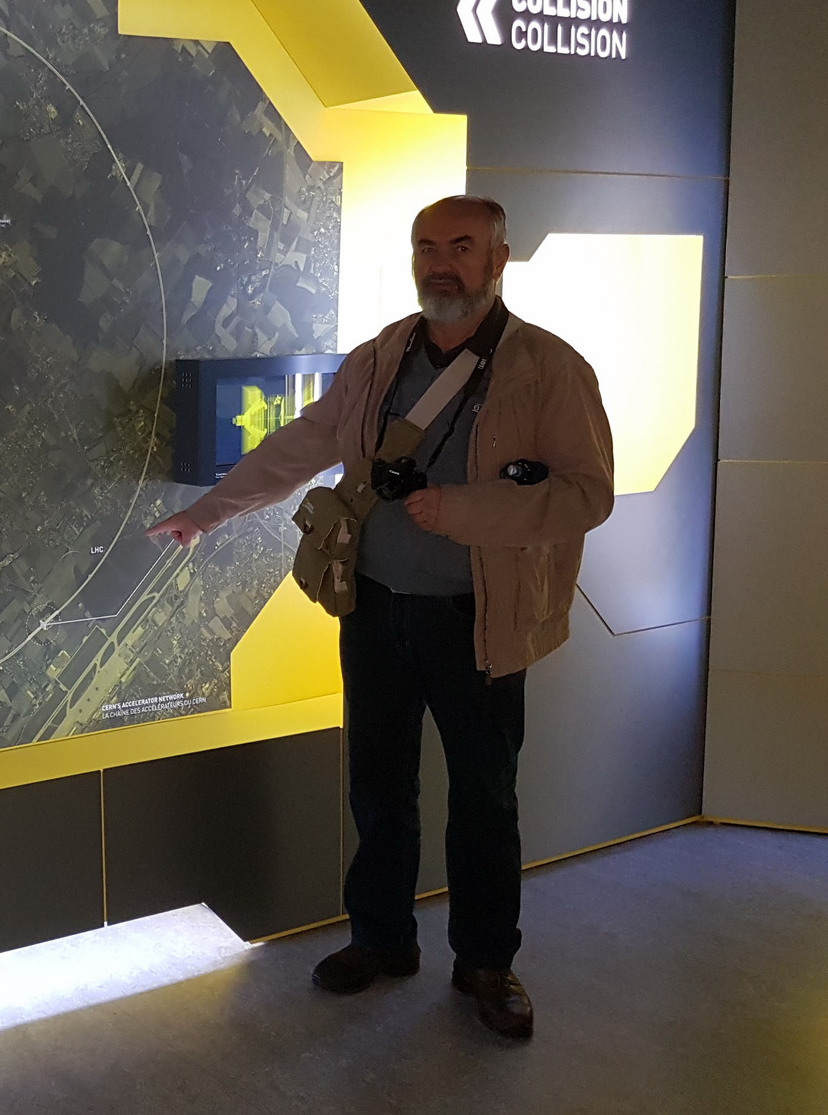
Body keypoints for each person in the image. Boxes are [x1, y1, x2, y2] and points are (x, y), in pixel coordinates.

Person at [147, 195, 612, 1040]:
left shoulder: (549, 369)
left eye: (462, 247)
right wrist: (207, 513)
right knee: (378, 787)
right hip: (374, 611)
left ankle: (485, 963)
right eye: (427, 247)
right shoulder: (380, 357)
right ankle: (382, 938)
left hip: (480, 624)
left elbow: (588, 493)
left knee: (485, 800)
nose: (442, 263)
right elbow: (305, 442)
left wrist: (465, 510)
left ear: (498, 259)